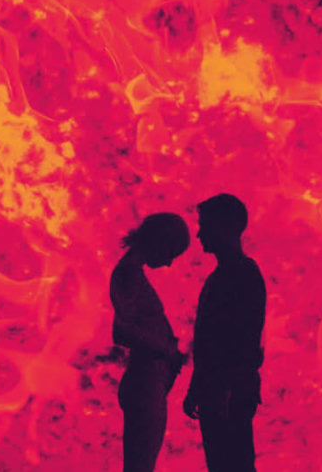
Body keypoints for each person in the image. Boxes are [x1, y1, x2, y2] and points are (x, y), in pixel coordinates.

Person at [183, 194, 266, 472]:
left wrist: (227, 387)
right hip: (218, 388)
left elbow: (246, 337)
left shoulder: (242, 275)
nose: (199, 234)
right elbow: (209, 341)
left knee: (233, 463)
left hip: (228, 389)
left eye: (205, 225)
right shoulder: (223, 276)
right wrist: (197, 386)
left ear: (225, 227)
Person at [110, 212, 190, 472]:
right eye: (170, 253)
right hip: (144, 381)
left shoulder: (131, 273)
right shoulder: (129, 274)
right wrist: (164, 348)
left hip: (148, 380)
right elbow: (122, 331)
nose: (168, 263)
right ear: (159, 241)